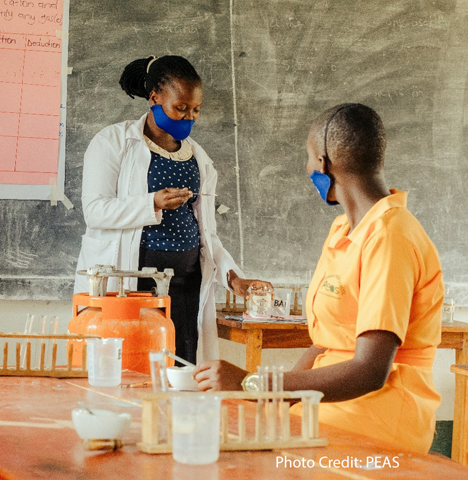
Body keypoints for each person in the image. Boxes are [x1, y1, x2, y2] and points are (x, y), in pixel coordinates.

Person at [194, 103, 443, 454]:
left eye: (309, 158)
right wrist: (274, 403)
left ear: (323, 164)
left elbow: (370, 370)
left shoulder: (390, 235)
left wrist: (258, 384)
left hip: (376, 418)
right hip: (329, 410)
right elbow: (324, 342)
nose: (308, 168)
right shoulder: (345, 228)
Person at [74, 55, 270, 364]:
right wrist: (152, 203)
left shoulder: (198, 158)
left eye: (195, 111)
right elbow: (95, 211)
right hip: (130, 284)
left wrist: (233, 277)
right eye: (180, 108)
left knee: (181, 367)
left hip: (184, 285)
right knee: (130, 369)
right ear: (154, 98)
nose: (188, 118)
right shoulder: (113, 142)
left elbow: (207, 233)